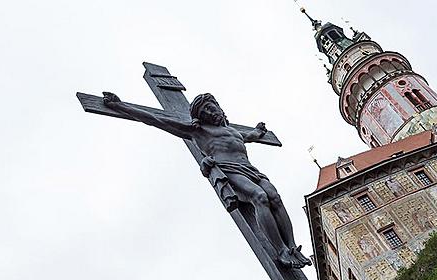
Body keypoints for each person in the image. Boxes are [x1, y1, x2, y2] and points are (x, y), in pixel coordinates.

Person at [101, 91, 310, 268]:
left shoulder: (234, 131)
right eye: (206, 112)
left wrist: (258, 129)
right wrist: (121, 106)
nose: (211, 113)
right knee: (259, 197)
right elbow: (157, 120)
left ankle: (292, 246)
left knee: (275, 197)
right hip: (229, 169)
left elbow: (253, 135)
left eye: (212, 107)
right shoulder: (198, 131)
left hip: (250, 169)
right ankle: (281, 250)